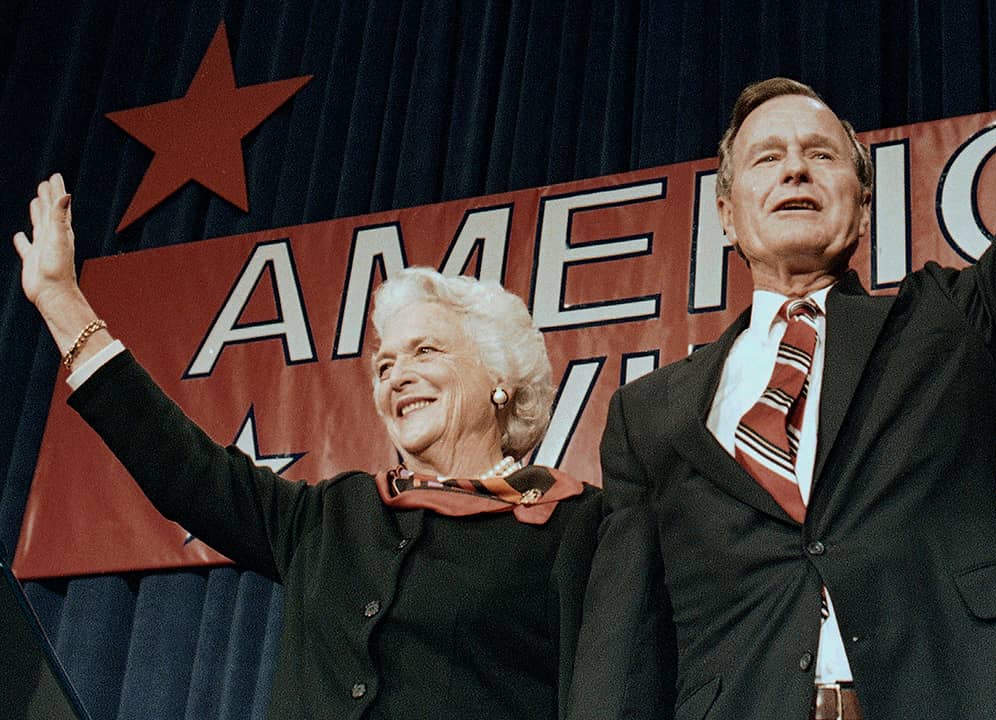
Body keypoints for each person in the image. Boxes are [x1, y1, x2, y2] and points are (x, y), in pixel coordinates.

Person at [568, 1, 996, 719]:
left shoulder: (945, 327)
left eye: (820, 155)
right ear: (725, 213)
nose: (794, 171)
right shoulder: (649, 413)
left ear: (864, 204)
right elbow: (620, 649)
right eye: (767, 157)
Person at [12, 175, 601, 720]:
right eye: (385, 365)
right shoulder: (329, 518)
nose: (396, 376)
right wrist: (63, 302)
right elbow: (179, 465)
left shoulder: (574, 526)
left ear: (500, 377)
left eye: (427, 352)